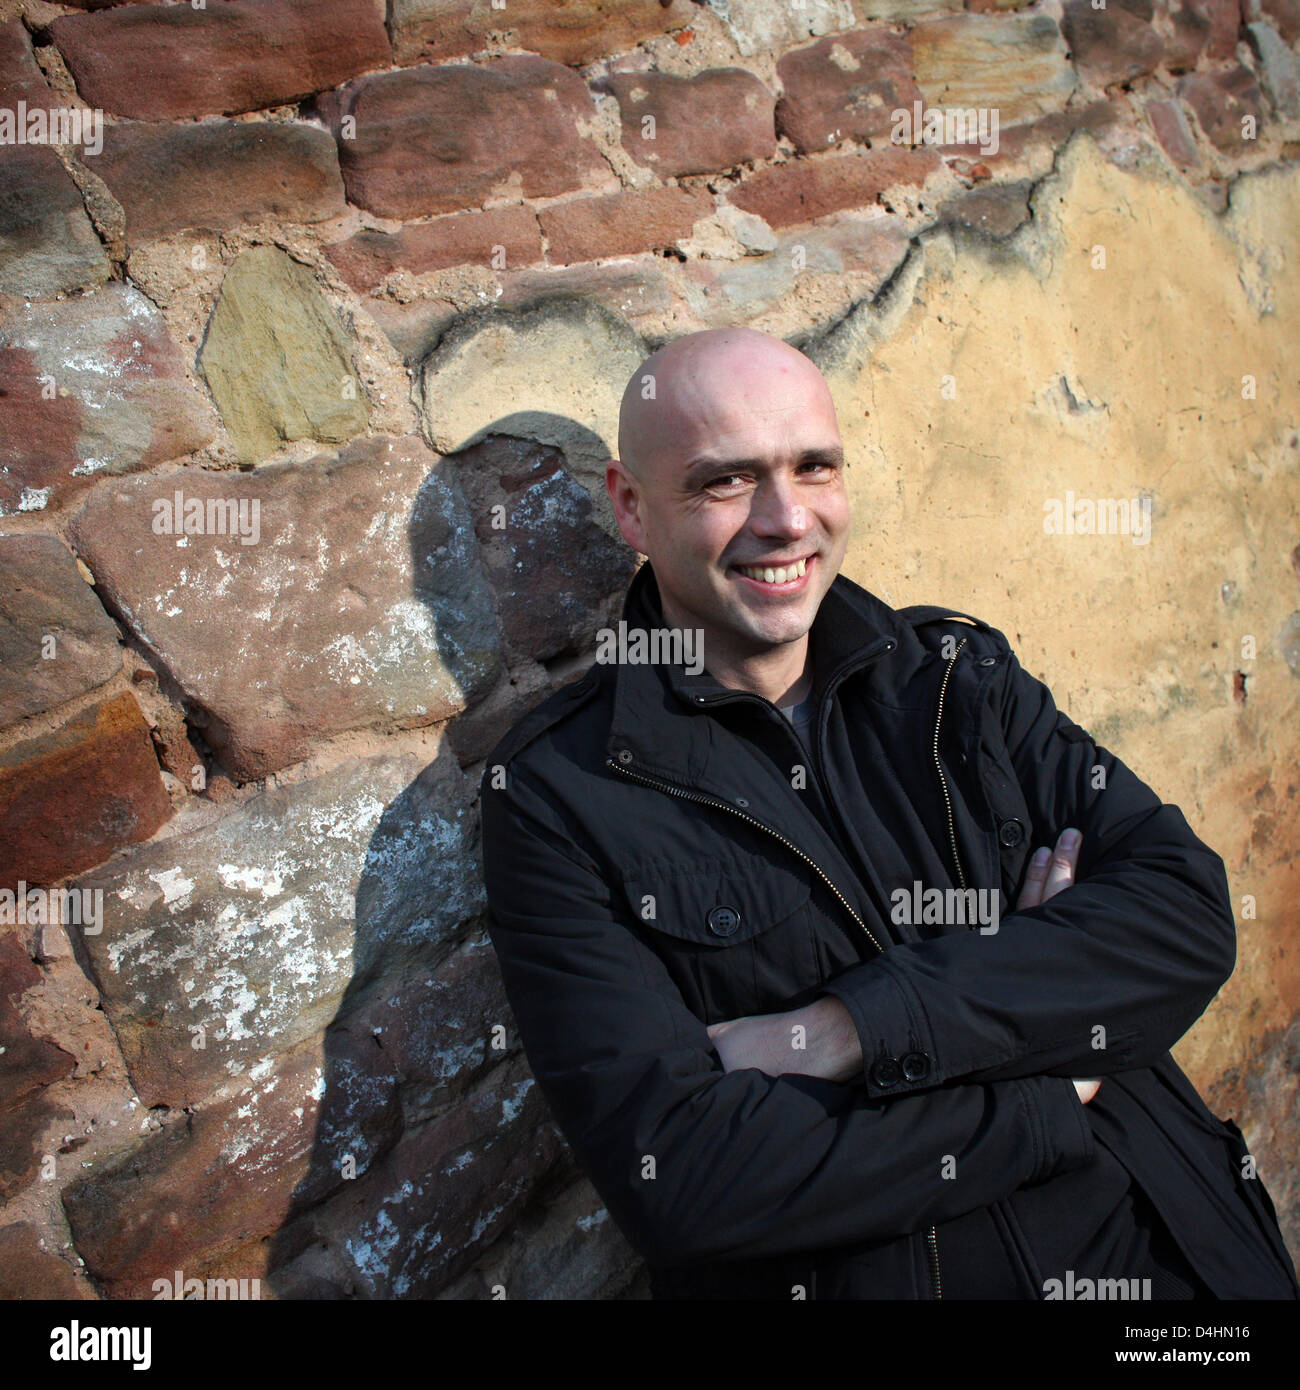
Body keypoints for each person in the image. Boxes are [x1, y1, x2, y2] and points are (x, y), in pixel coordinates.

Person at [478, 327, 1299, 1300]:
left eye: (814, 467)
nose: (787, 519)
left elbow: (1184, 917)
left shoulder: (959, 679)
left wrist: (843, 1031)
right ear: (631, 506)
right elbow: (687, 1179)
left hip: (1173, 1260)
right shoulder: (561, 793)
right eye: (727, 481)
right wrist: (1049, 1079)